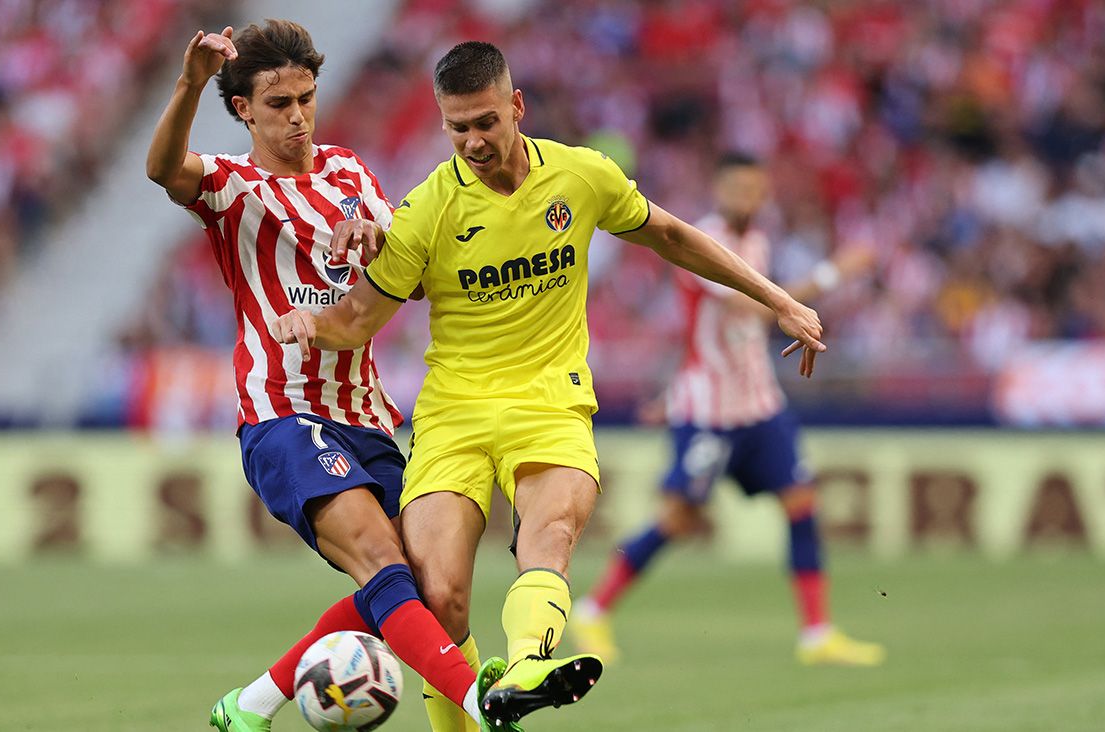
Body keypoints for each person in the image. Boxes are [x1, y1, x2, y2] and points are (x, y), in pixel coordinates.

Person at [269, 41, 827, 729]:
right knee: (439, 596)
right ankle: (489, 704)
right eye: (457, 127)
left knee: (551, 531)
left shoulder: (581, 176)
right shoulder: (426, 213)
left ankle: (531, 663)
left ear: (516, 107)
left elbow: (674, 237)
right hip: (455, 415)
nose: (472, 140)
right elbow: (359, 320)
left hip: (550, 402)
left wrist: (778, 299)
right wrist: (311, 323)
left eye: (485, 122)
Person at [144, 21, 508, 732]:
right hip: (282, 411)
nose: (298, 117)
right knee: (380, 559)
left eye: (306, 98)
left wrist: (381, 239)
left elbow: (414, 274)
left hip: (367, 416)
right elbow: (163, 170)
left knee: (421, 588)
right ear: (243, 109)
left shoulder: (349, 173)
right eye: (278, 105)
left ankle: (249, 706)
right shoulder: (232, 186)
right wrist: (188, 81)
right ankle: (484, 703)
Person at [569, 152, 885, 667]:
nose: (746, 198)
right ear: (718, 190)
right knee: (677, 518)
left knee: (801, 503)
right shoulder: (703, 244)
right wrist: (833, 273)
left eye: (754, 190)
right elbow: (752, 305)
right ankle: (594, 609)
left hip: (759, 403)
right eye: (736, 188)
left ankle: (817, 633)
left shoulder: (757, 240)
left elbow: (744, 325)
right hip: (710, 412)